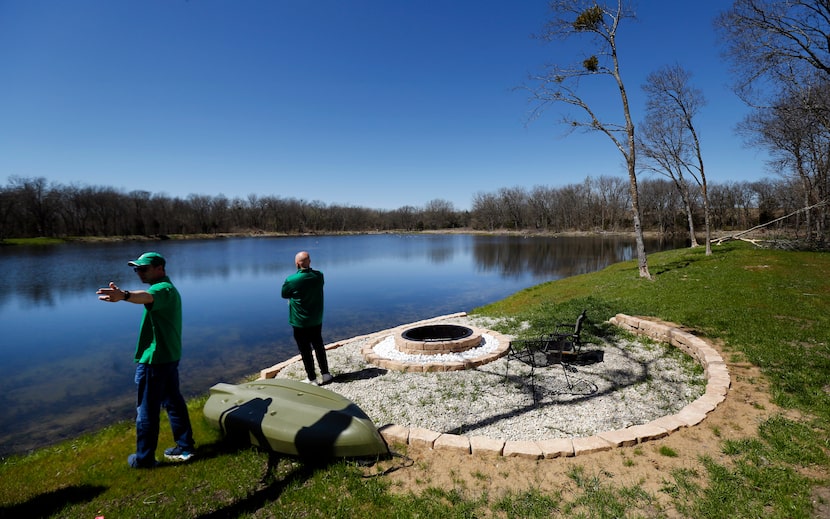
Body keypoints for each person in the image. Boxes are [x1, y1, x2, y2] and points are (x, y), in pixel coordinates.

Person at [96, 251, 196, 469]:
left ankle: (144, 459)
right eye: (137, 269)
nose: (139, 272)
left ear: (159, 268)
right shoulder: (166, 289)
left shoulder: (163, 289)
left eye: (143, 268)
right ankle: (185, 447)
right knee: (173, 403)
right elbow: (147, 297)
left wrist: (124, 295)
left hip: (155, 360)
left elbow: (147, 297)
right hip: (168, 356)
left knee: (146, 411)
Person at [281, 250, 333, 385]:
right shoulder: (319, 276)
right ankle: (326, 374)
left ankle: (312, 379)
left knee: (305, 350)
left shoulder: (291, 280)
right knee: (319, 346)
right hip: (316, 319)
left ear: (297, 263)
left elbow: (284, 294)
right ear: (309, 262)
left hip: (300, 322)